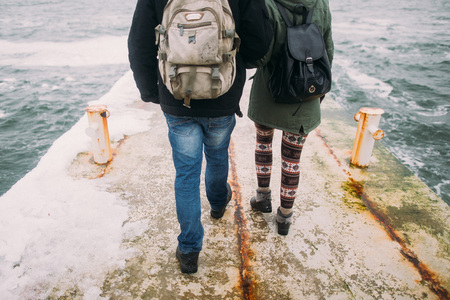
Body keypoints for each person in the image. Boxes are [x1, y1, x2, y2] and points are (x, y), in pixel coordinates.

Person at [128, 0, 273, 273]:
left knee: (186, 174)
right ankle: (218, 203)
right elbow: (260, 40)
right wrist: (235, 60)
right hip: (223, 93)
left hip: (175, 94)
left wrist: (150, 91)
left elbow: (138, 43)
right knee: (217, 154)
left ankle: (189, 250)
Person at [246, 0, 334, 235]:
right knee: (292, 160)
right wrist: (319, 91)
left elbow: (261, 56)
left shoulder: (267, 3)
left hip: (269, 92)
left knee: (263, 143)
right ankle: (285, 217)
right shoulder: (321, 4)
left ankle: (262, 198)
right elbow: (328, 49)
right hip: (306, 92)